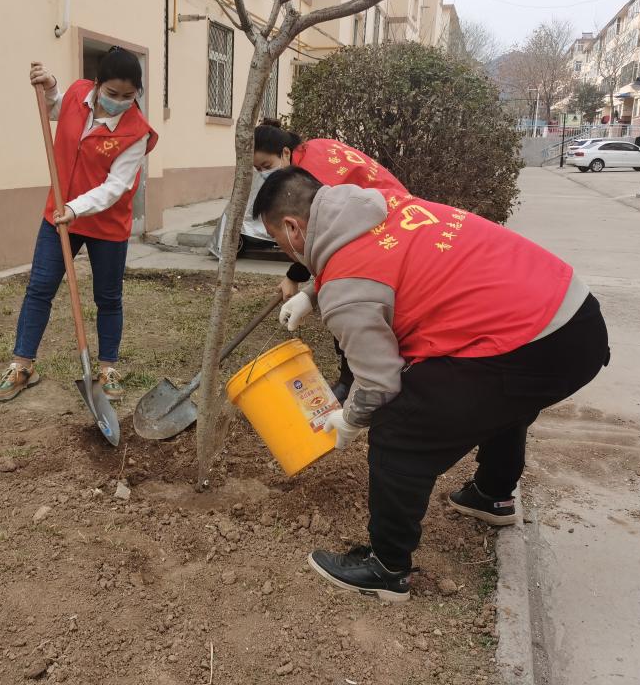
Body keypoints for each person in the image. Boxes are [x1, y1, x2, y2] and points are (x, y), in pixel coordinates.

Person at [252, 168, 609, 602]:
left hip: (537, 341)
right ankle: (491, 496)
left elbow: (378, 383)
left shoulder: (348, 288)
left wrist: (350, 419)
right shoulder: (373, 204)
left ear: (293, 227)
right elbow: (362, 260)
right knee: (501, 395)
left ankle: (386, 568)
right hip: (570, 314)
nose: (282, 248)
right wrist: (311, 294)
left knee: (399, 428)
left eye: (276, 238)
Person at [0, 47, 158, 402]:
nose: (119, 102)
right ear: (97, 84)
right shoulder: (78, 95)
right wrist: (51, 86)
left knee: (108, 297)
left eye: (128, 96)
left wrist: (76, 208)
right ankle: (23, 365)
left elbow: (116, 186)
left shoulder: (137, 132)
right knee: (40, 288)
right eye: (112, 93)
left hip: (106, 224)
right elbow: (55, 108)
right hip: (58, 215)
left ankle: (108, 367)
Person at [252, 120, 409, 402]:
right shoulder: (314, 149)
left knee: (348, 298)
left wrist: (296, 277)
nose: (264, 175)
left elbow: (318, 234)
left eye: (266, 166)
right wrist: (308, 291)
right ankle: (356, 379)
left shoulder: (311, 176)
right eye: (258, 169)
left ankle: (354, 382)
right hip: (390, 214)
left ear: (285, 153)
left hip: (382, 222)